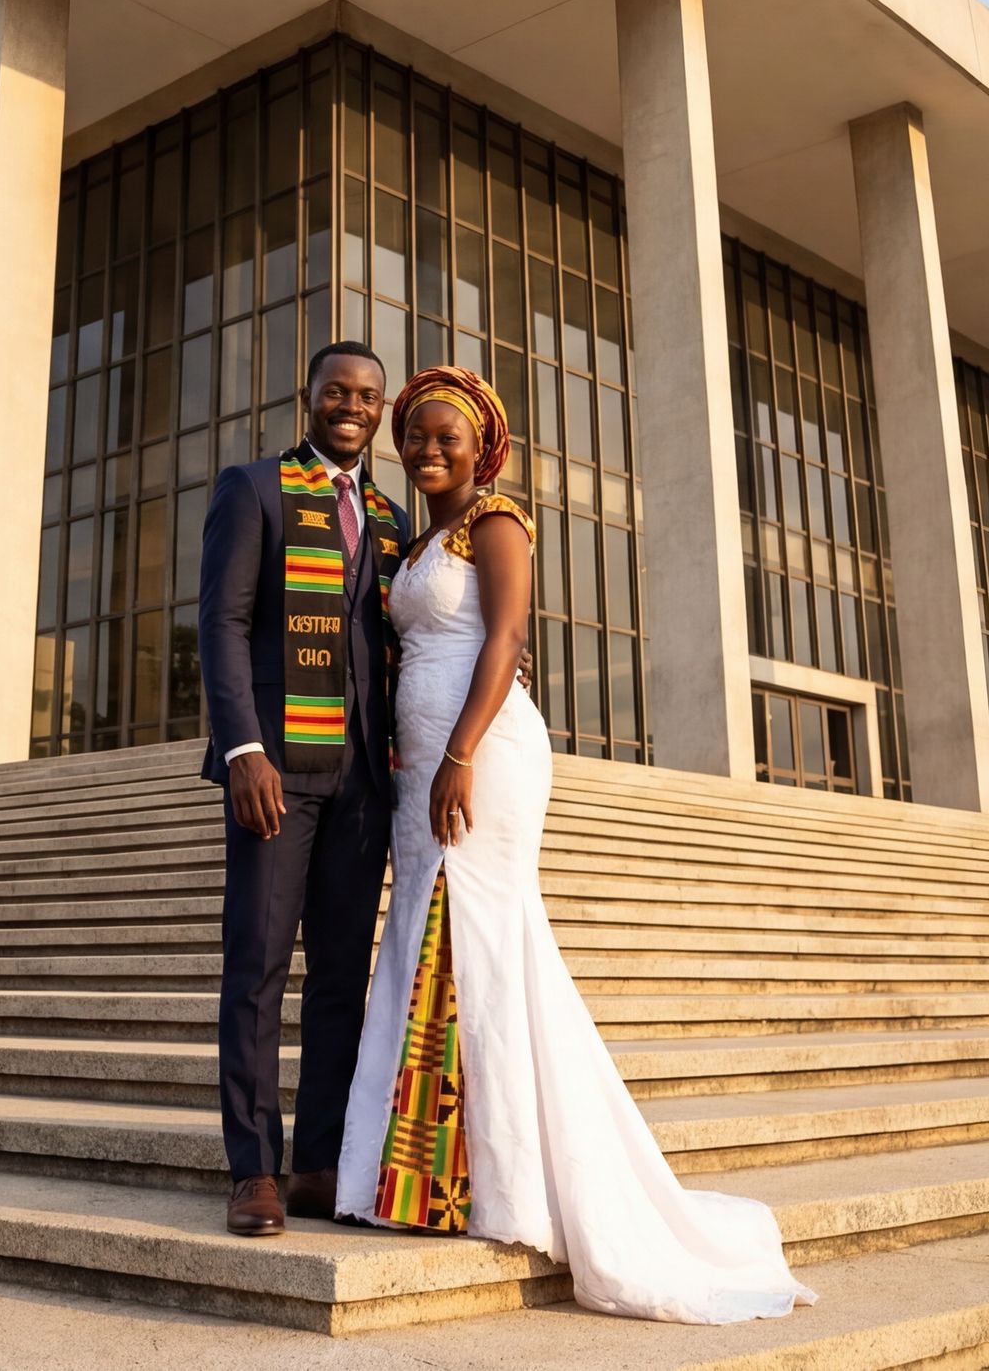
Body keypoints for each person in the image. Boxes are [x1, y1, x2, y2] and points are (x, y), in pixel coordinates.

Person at [334, 365, 815, 1324]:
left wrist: (461, 752)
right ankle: (424, 1174)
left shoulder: (496, 523)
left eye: (447, 437)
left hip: (485, 751)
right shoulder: (415, 535)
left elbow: (506, 638)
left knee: (486, 949)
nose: (428, 449)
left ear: (483, 447)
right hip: (419, 759)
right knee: (429, 952)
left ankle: (511, 1182)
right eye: (415, 436)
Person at [198, 340, 406, 1237]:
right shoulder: (256, 488)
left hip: (366, 781)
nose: (350, 405)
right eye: (336, 391)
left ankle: (319, 1161)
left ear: (380, 407)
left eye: (366, 394)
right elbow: (223, 621)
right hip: (278, 771)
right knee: (257, 966)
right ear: (310, 395)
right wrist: (243, 746)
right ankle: (253, 1169)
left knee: (338, 980)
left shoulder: (393, 518)